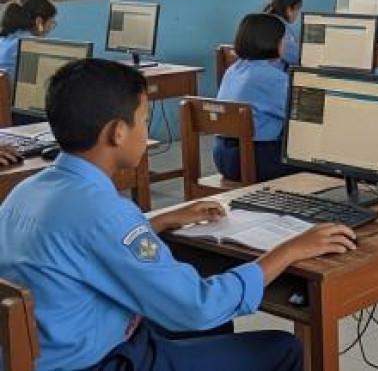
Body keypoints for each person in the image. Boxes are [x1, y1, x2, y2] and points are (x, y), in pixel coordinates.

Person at [0, 58, 357, 371]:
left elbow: (81, 242)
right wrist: (289, 250)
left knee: (210, 326)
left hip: (48, 354)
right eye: (144, 120)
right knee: (282, 348)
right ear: (118, 132)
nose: (146, 131)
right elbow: (198, 306)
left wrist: (157, 221)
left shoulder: (26, 192)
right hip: (103, 362)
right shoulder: (107, 215)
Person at [214, 14, 298, 182]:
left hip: (223, 155)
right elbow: (301, 116)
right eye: (284, 39)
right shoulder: (273, 78)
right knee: (325, 162)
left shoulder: (234, 70)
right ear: (273, 42)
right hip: (254, 159)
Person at [0, 0, 57, 79]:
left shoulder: (4, 39)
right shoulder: (29, 45)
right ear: (39, 22)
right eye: (51, 23)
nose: (50, 29)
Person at [263, 0, 302, 68]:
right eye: (297, 9)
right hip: (274, 72)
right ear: (288, 9)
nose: (298, 13)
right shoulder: (280, 28)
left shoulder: (266, 20)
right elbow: (298, 58)